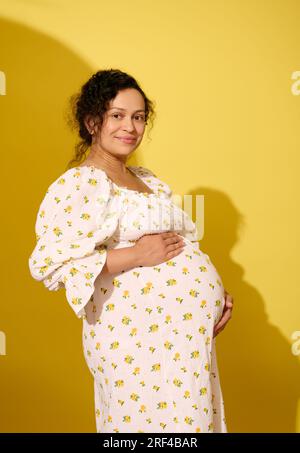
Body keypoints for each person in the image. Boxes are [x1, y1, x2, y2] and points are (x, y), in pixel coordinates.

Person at [28, 69, 234, 433]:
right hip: (135, 341)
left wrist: (213, 300)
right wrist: (137, 256)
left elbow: (178, 247)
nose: (131, 127)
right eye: (118, 115)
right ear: (93, 122)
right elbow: (51, 266)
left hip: (179, 339)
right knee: (143, 428)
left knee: (189, 426)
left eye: (139, 117)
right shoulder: (81, 182)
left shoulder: (146, 179)